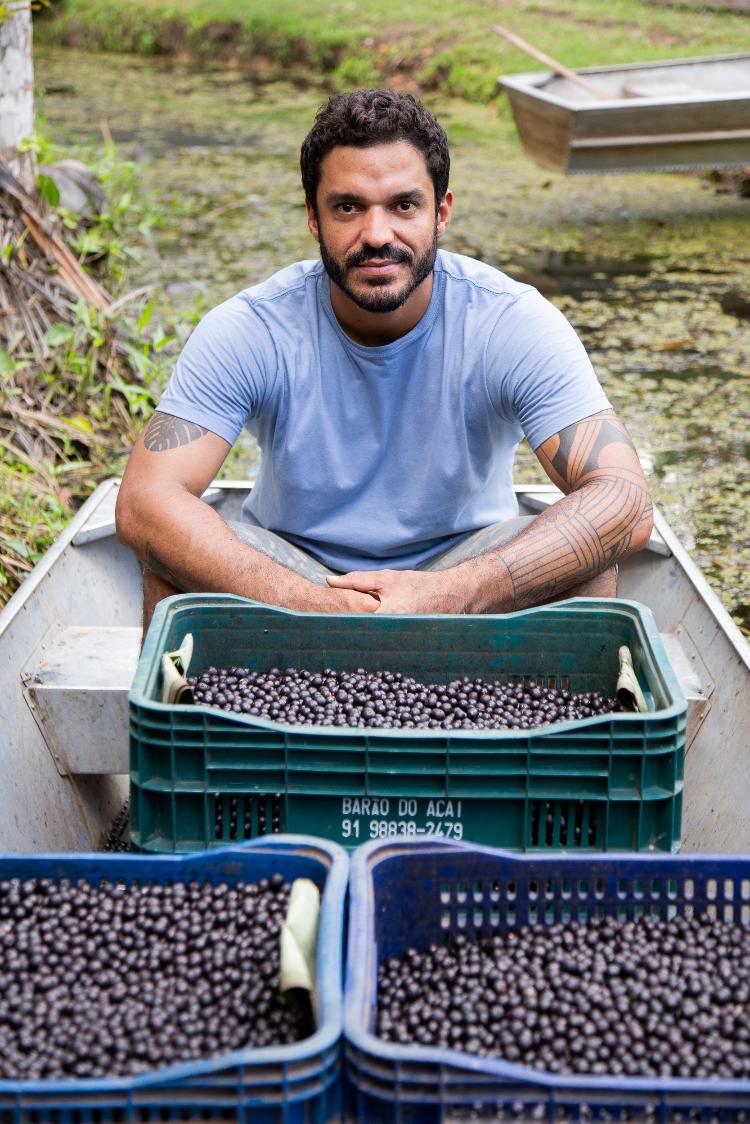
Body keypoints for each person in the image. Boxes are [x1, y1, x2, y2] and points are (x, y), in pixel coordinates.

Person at [115, 88, 653, 630]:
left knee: (584, 562)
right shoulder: (252, 328)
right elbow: (145, 501)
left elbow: (625, 499)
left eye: (403, 205)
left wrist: (455, 592)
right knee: (171, 557)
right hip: (298, 572)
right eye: (348, 207)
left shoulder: (510, 322)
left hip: (466, 566)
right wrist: (315, 604)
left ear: (440, 212)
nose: (377, 235)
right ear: (313, 218)